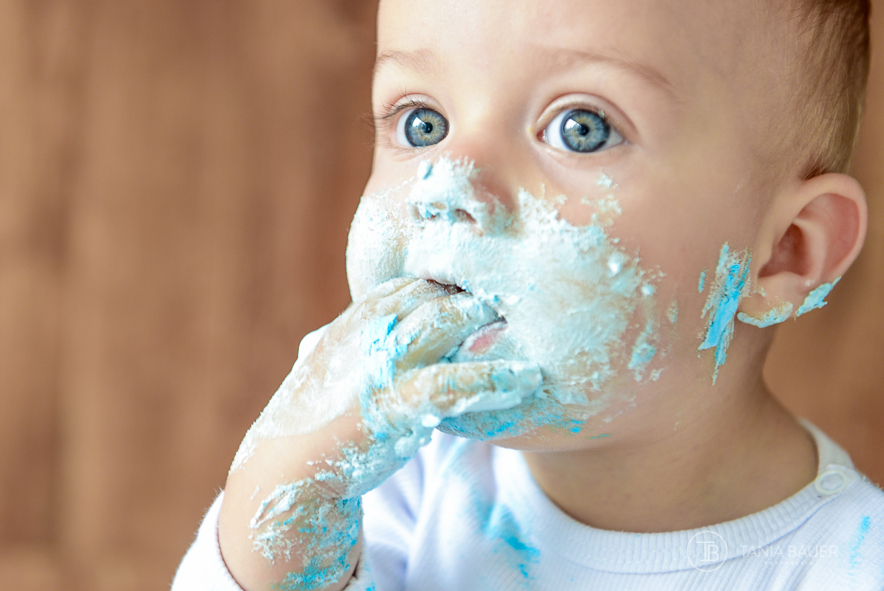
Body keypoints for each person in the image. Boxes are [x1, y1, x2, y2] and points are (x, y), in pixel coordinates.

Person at [173, 0, 884, 588]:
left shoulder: (847, 565)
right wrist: (272, 512)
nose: (448, 182)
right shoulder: (388, 487)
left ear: (782, 253)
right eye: (423, 123)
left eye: (581, 128)